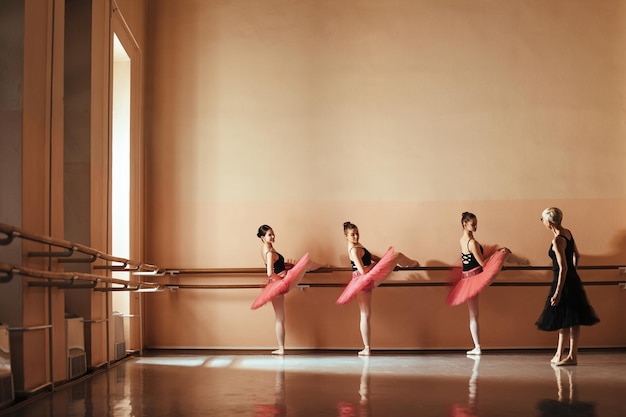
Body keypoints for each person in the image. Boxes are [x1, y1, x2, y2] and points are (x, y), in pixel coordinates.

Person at [447, 212, 528, 355]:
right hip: (477, 277)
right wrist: (496, 255)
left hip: (466, 279)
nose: (476, 226)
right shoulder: (472, 243)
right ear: (465, 224)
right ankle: (522, 262)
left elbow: (469, 260)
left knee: (474, 315)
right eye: (473, 224)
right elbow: (483, 264)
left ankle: (477, 347)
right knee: (504, 252)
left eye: (476, 223)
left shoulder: (462, 239)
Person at [340, 221, 420, 356]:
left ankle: (367, 348)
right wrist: (379, 265)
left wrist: (384, 261)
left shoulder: (357, 245)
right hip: (362, 279)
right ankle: (413, 264)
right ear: (346, 236)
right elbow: (363, 271)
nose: (356, 237)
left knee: (365, 314)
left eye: (357, 233)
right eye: (352, 235)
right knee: (364, 315)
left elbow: (372, 257)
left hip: (364, 279)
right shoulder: (353, 250)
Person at [536, 207, 600, 366]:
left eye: (542, 219)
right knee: (571, 319)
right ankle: (567, 355)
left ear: (549, 223)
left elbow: (563, 267)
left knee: (564, 318)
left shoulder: (557, 240)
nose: (542, 222)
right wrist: (573, 273)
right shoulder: (568, 233)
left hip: (563, 282)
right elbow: (576, 256)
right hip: (571, 280)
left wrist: (557, 292)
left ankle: (566, 356)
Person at [253, 224, 319, 355]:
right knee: (306, 263)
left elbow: (274, 268)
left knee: (280, 318)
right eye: (269, 235)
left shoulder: (265, 248)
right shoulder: (270, 252)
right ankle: (324, 267)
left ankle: (281, 348)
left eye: (273, 234)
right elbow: (269, 273)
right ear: (262, 237)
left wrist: (286, 267)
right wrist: (281, 279)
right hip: (279, 283)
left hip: (274, 285)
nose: (272, 236)